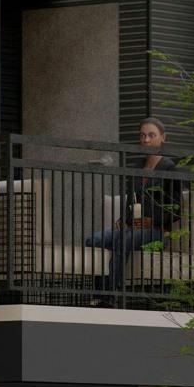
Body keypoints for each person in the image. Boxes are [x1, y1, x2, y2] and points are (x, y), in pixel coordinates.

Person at [81, 117, 177, 297]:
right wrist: (124, 221)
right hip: (134, 227)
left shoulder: (168, 168)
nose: (146, 140)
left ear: (163, 138)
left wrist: (149, 221)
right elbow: (131, 202)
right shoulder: (137, 167)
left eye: (151, 135)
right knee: (93, 240)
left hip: (158, 231)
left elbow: (175, 209)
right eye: (142, 135)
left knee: (124, 240)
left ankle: (108, 295)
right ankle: (102, 287)